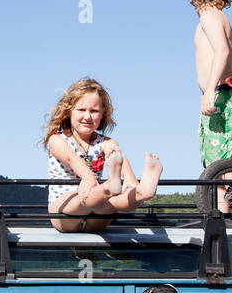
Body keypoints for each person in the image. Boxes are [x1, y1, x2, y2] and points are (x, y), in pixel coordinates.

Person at [44, 78, 162, 232]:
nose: (87, 116)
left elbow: (118, 157)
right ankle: (108, 187)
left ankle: (141, 192)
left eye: (93, 111)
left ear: (103, 114)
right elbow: (71, 159)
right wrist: (88, 177)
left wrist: (130, 180)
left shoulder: (106, 143)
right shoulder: (57, 139)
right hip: (64, 205)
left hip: (97, 206)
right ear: (68, 111)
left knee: (113, 204)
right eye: (81, 110)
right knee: (84, 199)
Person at [190, 0, 232, 212]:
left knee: (222, 165)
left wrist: (209, 91)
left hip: (222, 96)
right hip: (224, 95)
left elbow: (222, 51)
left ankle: (228, 221)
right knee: (224, 164)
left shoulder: (210, 16)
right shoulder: (219, 17)